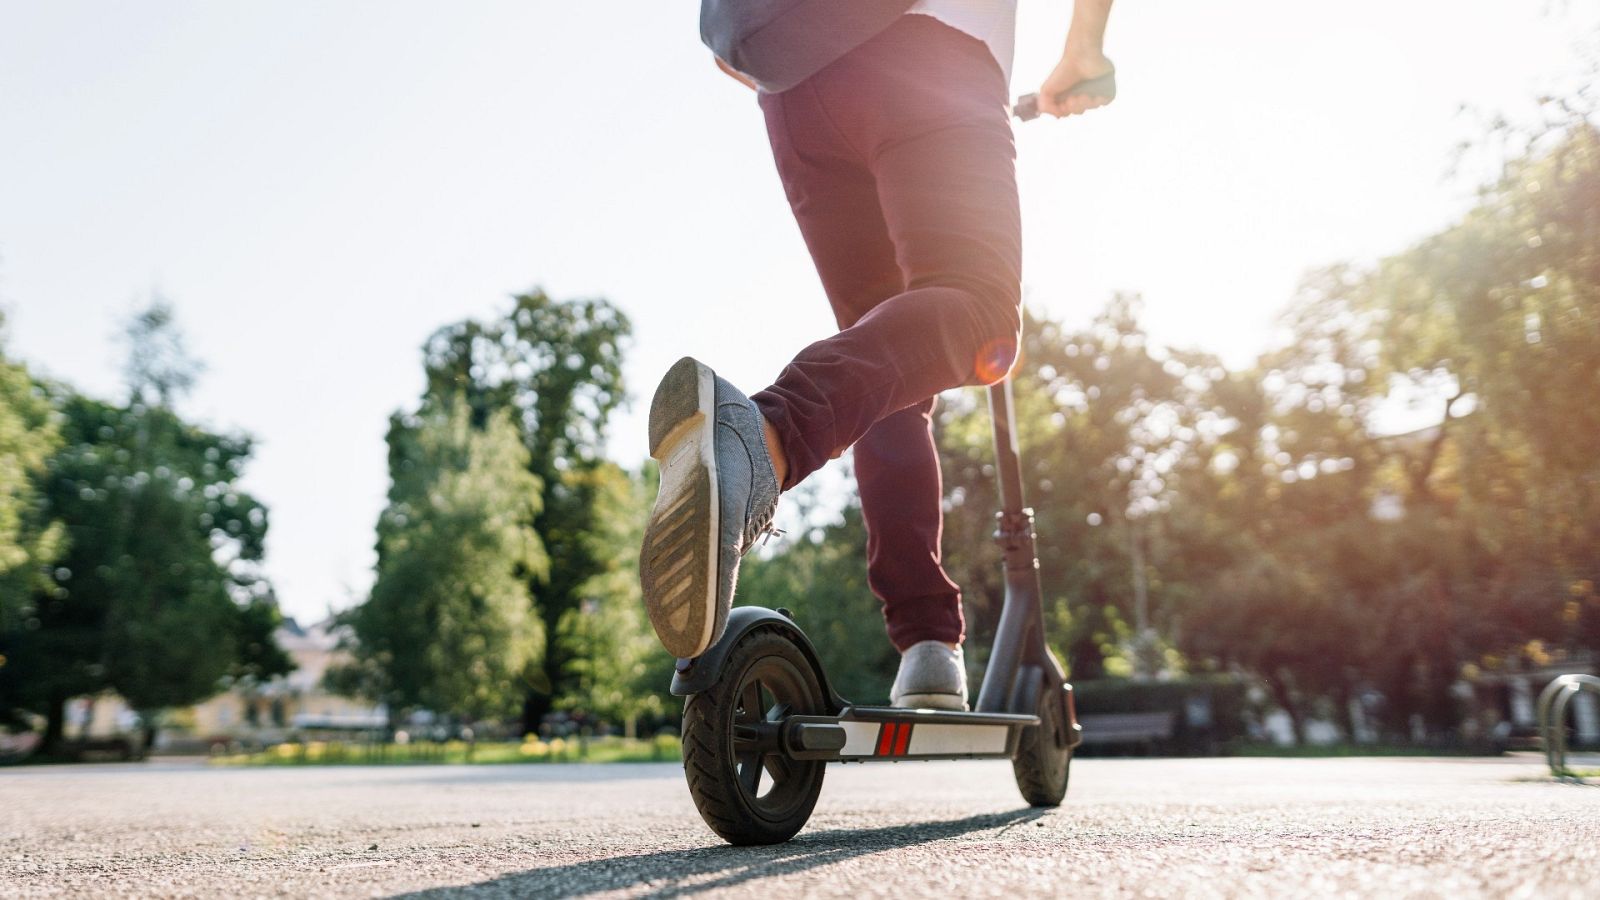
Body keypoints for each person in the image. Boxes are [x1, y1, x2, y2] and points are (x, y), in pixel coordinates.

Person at [641, 0, 1116, 711]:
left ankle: (928, 643)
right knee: (978, 311)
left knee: (888, 358)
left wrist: (823, 66)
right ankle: (763, 437)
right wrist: (1083, 50)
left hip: (792, 95)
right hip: (933, 57)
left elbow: (726, 51)